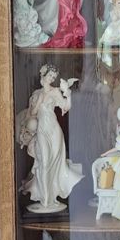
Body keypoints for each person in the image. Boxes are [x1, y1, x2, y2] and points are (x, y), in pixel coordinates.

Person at [17, 65, 83, 214]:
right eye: (50, 76)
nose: (52, 79)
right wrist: (40, 100)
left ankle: (50, 199)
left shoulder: (55, 92)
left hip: (54, 130)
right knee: (44, 163)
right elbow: (31, 114)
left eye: (54, 77)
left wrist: (68, 94)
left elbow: (66, 107)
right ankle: (45, 198)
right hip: (42, 131)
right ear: (43, 75)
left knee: (54, 163)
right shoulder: (36, 94)